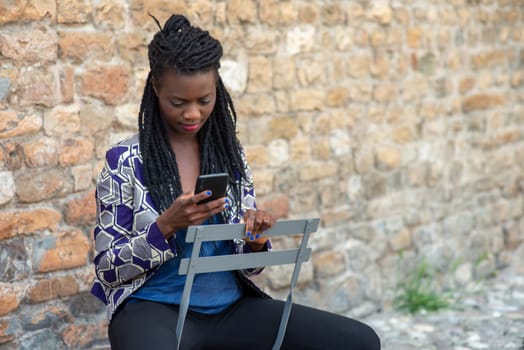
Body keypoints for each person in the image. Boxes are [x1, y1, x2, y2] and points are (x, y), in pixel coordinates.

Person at [91, 13, 380, 350]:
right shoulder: (124, 162)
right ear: (156, 87)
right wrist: (165, 226)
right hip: (153, 309)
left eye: (204, 100)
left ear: (217, 90)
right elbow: (108, 270)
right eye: (179, 102)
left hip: (231, 307)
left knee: (359, 341)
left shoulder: (229, 154)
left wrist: (256, 239)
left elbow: (252, 266)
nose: (193, 114)